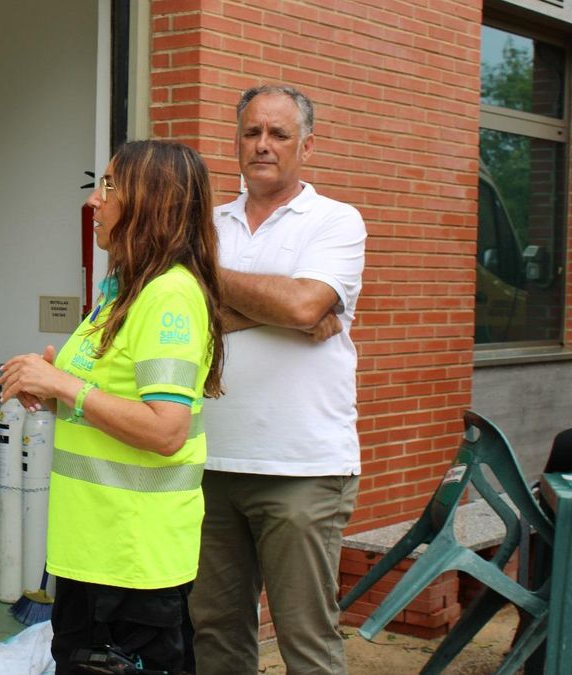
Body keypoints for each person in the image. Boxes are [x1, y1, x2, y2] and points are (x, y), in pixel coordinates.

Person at [0, 140, 224, 674]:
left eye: (109, 187)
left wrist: (64, 385)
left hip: (133, 563)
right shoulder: (120, 291)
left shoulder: (169, 296)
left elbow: (166, 430)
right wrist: (55, 393)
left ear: (153, 201)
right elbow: (104, 407)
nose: (93, 202)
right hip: (93, 554)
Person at [189, 85, 366, 675]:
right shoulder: (208, 222)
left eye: (279, 134)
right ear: (237, 141)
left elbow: (302, 306)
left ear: (306, 145)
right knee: (213, 630)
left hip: (303, 470)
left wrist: (212, 278)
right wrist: (287, 306)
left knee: (306, 641)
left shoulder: (336, 221)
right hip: (211, 463)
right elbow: (186, 318)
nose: (263, 145)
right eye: (251, 133)